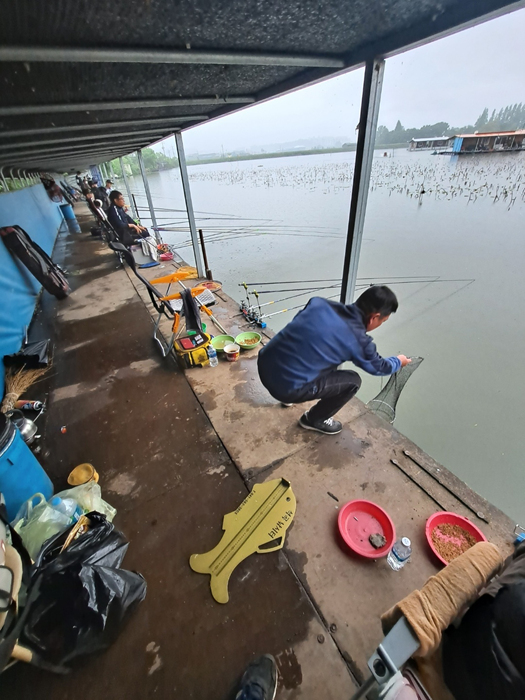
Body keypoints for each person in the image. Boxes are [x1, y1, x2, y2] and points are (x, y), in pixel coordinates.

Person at [257, 285, 410, 435]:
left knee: (321, 349)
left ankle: (290, 379)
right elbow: (380, 367)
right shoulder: (358, 340)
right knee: (353, 382)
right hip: (285, 389)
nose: (380, 324)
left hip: (264, 363)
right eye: (383, 321)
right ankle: (314, 419)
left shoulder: (318, 303)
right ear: (374, 318)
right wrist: (398, 361)